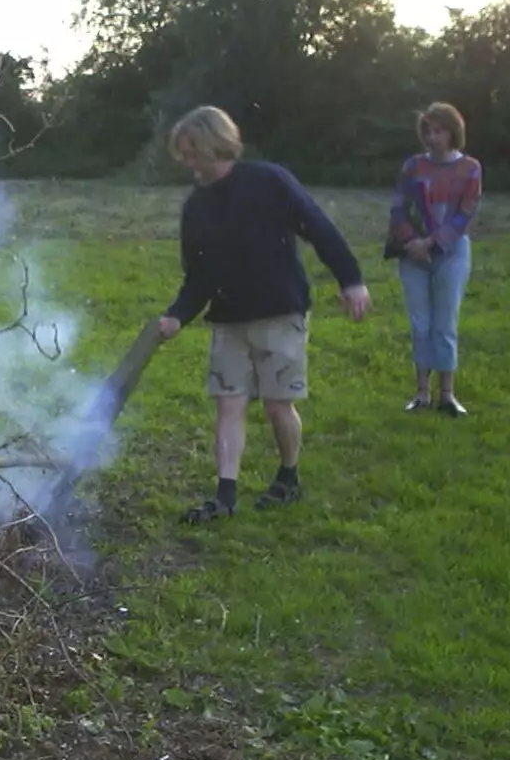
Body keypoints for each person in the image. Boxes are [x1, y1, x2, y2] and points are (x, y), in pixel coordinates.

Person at [156, 106, 371, 524]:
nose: (187, 162)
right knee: (229, 404)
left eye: (191, 152)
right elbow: (198, 276)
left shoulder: (268, 181)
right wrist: (177, 316)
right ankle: (225, 495)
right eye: (182, 154)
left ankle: (288, 477)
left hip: (279, 311)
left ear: (214, 144)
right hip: (228, 318)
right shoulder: (196, 207)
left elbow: (318, 227)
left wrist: (351, 280)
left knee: (277, 405)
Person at [384, 102, 482, 416]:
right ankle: (421, 393)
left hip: (451, 253)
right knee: (421, 323)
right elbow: (398, 206)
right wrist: (412, 242)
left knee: (445, 324)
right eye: (427, 130)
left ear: (453, 132)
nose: (432, 137)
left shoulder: (470, 168)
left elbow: (467, 212)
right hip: (413, 254)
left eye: (438, 131)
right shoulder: (413, 166)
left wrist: (434, 242)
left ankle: (447, 395)